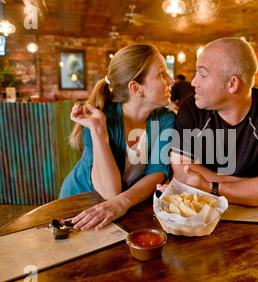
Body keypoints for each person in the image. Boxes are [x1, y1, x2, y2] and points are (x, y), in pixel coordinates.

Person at [169, 37, 258, 209]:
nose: (194, 82)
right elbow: (181, 171)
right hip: (201, 211)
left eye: (202, 75)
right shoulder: (192, 107)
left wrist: (209, 186)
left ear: (232, 84)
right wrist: (255, 186)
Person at [59, 43, 175, 230]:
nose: (171, 80)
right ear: (136, 88)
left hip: (120, 209)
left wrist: (123, 203)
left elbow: (157, 172)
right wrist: (99, 132)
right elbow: (110, 191)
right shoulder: (101, 117)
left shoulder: (166, 118)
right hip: (79, 204)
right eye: (162, 74)